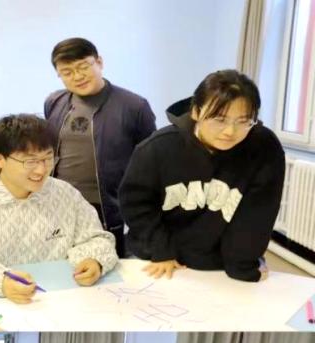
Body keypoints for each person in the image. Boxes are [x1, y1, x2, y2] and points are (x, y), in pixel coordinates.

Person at [0, 114, 118, 302]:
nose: (41, 170)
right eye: (30, 161)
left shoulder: (65, 194)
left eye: (48, 158)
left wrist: (94, 260)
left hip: (61, 299)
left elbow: (96, 238)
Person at [120, 70, 285, 282]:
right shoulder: (157, 148)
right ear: (196, 112)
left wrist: (242, 265)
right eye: (219, 119)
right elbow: (136, 204)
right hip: (160, 259)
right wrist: (160, 250)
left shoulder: (263, 148)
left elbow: (258, 211)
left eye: (243, 121)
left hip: (220, 264)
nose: (230, 131)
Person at [44, 37, 156, 257]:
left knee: (109, 265)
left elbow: (151, 161)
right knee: (62, 263)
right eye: (67, 72)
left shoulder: (134, 106)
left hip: (108, 207)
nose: (77, 76)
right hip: (60, 203)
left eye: (83, 67)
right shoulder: (54, 102)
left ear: (99, 62)